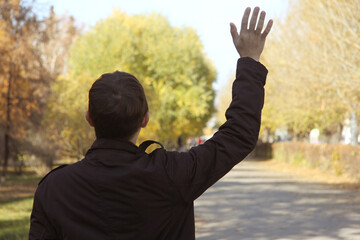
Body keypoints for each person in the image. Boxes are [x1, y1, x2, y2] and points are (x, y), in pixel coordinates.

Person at [29, 6, 272, 240]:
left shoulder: (54, 190)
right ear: (145, 119)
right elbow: (239, 134)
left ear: (89, 118)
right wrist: (250, 59)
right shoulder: (172, 174)